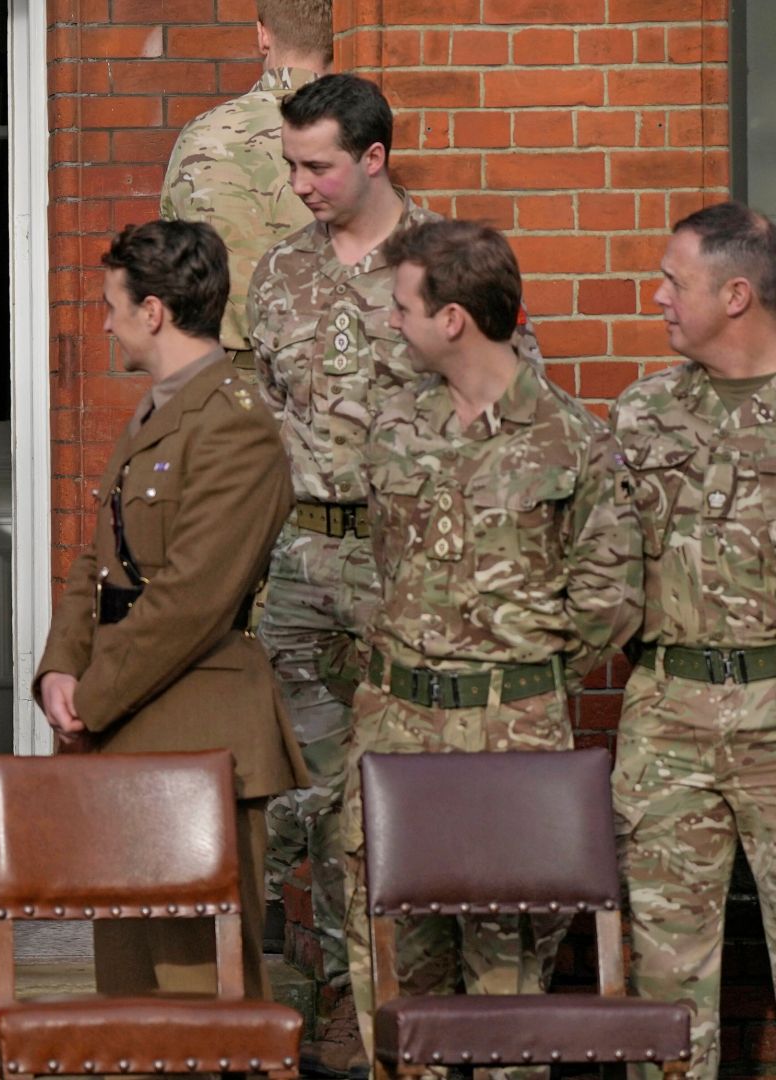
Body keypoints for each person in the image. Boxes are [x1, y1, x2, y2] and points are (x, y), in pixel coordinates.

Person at [245, 74, 544, 1073]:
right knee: (305, 798)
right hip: (295, 562)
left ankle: (440, 1024)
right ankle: (337, 1008)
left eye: (317, 166)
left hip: (404, 562)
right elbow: (263, 416)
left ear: (373, 158)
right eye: (291, 165)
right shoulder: (280, 274)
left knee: (405, 797)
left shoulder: (446, 267)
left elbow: (510, 400)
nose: (300, 185)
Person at [339, 218, 642, 1071]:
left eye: (403, 305)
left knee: (508, 984)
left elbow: (608, 604)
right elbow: (381, 567)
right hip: (394, 729)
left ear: (453, 319)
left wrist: (510, 669)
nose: (391, 321)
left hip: (512, 738)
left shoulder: (570, 440)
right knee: (393, 980)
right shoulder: (395, 427)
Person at [36, 219, 304, 1004]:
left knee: (201, 994)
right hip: (126, 730)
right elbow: (99, 561)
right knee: (128, 992)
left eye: (112, 303)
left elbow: (193, 597)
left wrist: (92, 693)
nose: (105, 319)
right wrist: (60, 664)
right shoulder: (161, 408)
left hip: (200, 729)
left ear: (153, 310)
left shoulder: (236, 421)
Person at [610, 202, 776, 1080]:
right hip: (667, 720)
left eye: (676, 282)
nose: (658, 297)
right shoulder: (641, 413)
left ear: (737, 294)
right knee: (667, 991)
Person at [161, 0, 328, 384]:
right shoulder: (358, 135)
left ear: (263, 34)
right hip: (336, 372)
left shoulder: (201, 136)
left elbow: (170, 268)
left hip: (227, 376)